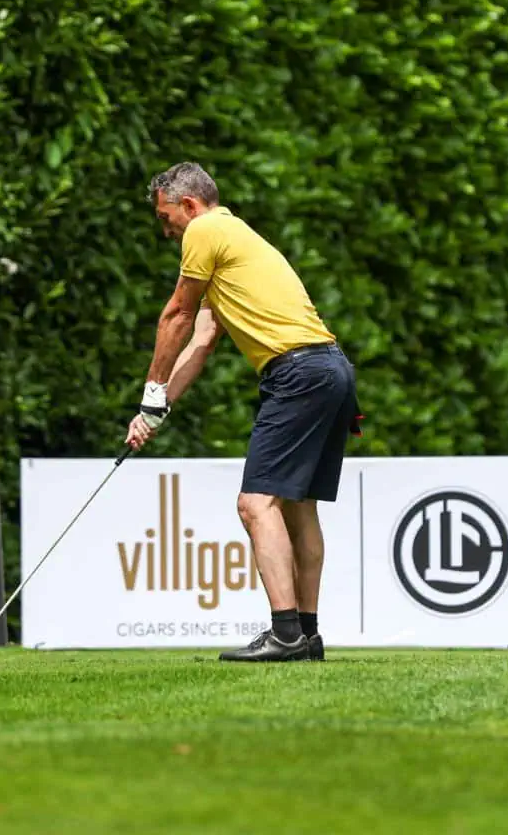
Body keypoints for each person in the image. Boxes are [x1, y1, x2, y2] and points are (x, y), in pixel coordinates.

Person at [126, 162, 360, 663]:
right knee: (298, 507)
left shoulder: (206, 230)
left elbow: (177, 316)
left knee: (256, 505)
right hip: (331, 369)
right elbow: (204, 340)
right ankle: (307, 635)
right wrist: (157, 410)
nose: (166, 231)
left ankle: (285, 634)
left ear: (189, 206)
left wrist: (149, 388)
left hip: (297, 373)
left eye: (167, 218)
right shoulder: (233, 238)